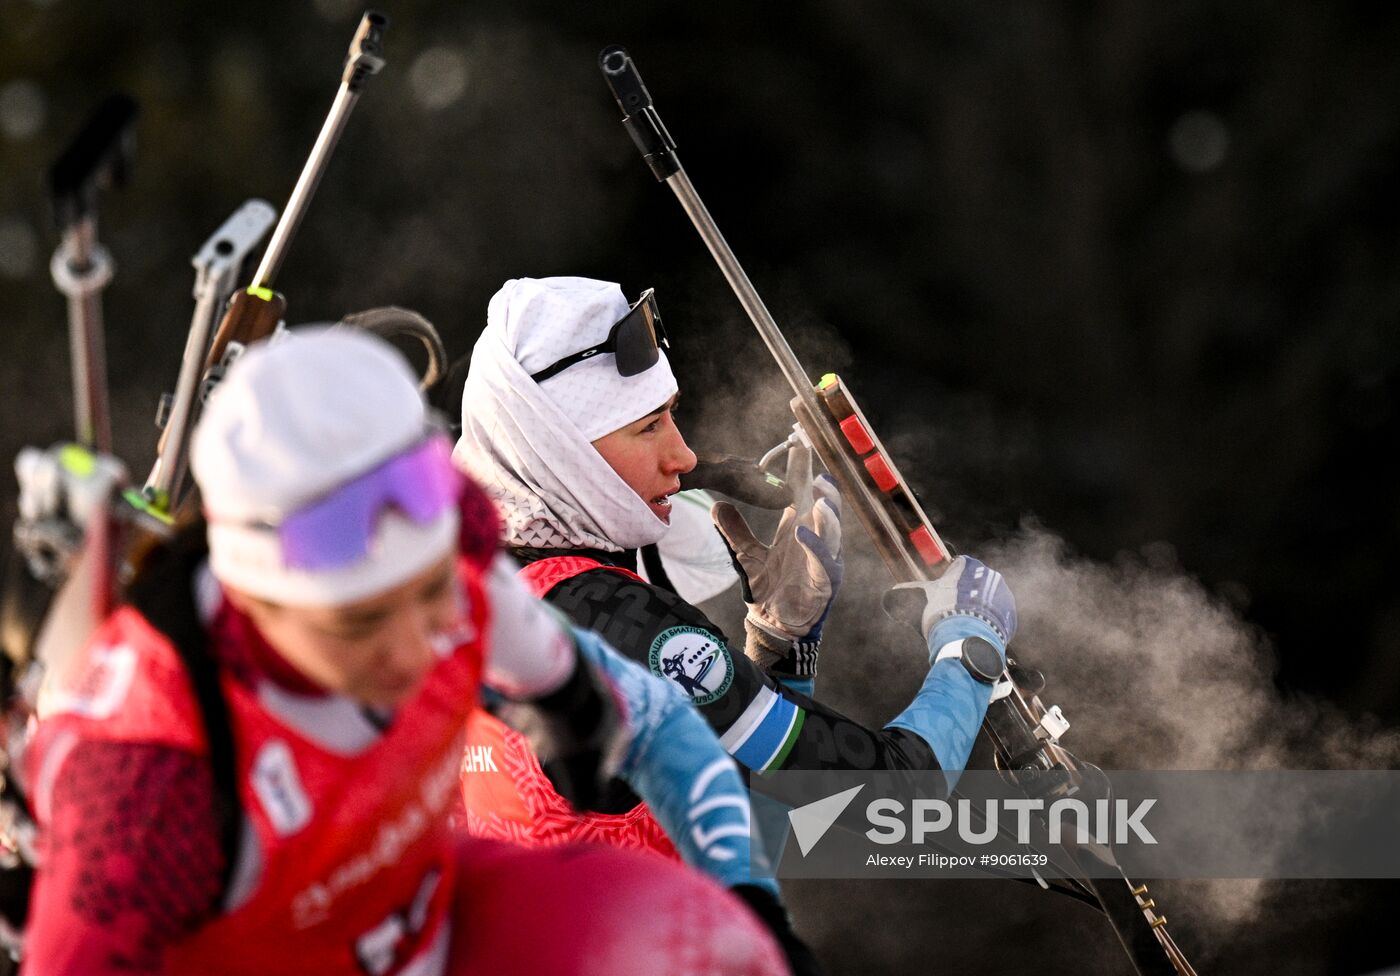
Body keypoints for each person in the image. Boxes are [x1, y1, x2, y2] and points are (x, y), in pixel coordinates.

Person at [17, 328, 787, 976]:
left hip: (434, 905)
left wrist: (761, 905)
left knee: (724, 947)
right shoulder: (148, 793)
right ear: (253, 608)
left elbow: (670, 733)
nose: (417, 650)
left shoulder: (462, 559)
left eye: (433, 598)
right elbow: (845, 813)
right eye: (359, 625)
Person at [454, 277, 1017, 861]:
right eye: (646, 427)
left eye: (671, 415)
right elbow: (897, 802)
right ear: (556, 451)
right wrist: (968, 648)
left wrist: (778, 650)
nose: (683, 456)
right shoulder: (617, 624)